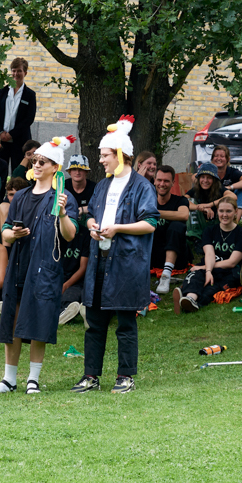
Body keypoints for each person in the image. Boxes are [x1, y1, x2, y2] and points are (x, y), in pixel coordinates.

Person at [0, 137, 78, 395]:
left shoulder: (63, 197)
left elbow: (70, 235)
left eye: (42, 162)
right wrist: (13, 234)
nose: (36, 165)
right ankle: (9, 379)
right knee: (12, 321)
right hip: (19, 264)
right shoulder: (21, 196)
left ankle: (33, 379)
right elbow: (5, 234)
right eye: (34, 160)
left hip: (45, 267)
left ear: (55, 167)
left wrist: (62, 213)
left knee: (40, 321)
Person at [73, 116, 158, 394]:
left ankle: (125, 377)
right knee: (94, 324)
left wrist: (118, 228)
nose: (101, 161)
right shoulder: (102, 185)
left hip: (127, 264)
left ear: (120, 155)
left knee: (125, 324)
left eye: (105, 155)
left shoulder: (142, 186)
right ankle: (90, 377)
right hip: (99, 261)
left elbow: (150, 223)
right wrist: (91, 225)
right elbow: (90, 215)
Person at [173, 198, 242, 313]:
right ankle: (190, 298)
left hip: (229, 272)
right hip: (209, 264)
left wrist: (204, 268)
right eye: (221, 211)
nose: (224, 215)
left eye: (228, 211)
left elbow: (232, 262)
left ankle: (189, 301)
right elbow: (209, 253)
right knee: (196, 276)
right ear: (217, 211)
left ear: (236, 212)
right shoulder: (210, 230)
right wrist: (208, 271)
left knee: (212, 288)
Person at [153, 165, 191, 294]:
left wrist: (154, 213)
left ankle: (166, 276)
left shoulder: (180, 200)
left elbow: (184, 215)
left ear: (173, 183)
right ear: (154, 181)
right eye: (159, 180)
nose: (162, 184)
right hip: (154, 255)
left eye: (166, 181)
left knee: (177, 226)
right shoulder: (149, 200)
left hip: (177, 258)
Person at [0, 57, 36, 163]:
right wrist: (1, 132)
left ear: (25, 73)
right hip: (1, 141)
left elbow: (29, 118)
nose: (16, 74)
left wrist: (12, 134)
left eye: (19, 71)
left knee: (18, 170)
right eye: (14, 71)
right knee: (0, 169)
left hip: (20, 141)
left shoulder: (30, 95)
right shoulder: (3, 92)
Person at [209, 144, 242, 209]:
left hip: (229, 202)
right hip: (210, 201)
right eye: (216, 156)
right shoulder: (208, 170)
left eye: (222, 156)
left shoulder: (232, 171)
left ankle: (237, 215)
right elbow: (195, 177)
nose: (218, 158)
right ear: (212, 159)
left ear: (228, 159)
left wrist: (230, 187)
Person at [186, 163, 224, 240]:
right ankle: (195, 237)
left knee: (227, 202)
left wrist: (210, 205)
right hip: (200, 223)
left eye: (209, 177)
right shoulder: (196, 189)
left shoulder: (220, 189)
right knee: (190, 201)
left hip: (216, 223)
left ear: (214, 179)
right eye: (202, 177)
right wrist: (200, 208)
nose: (205, 181)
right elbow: (183, 200)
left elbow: (233, 196)